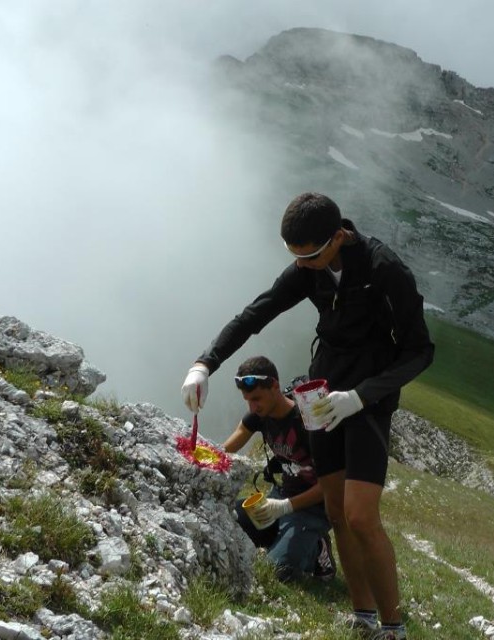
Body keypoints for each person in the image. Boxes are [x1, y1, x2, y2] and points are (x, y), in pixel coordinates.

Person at [182, 192, 434, 640]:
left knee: (360, 516)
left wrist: (360, 397)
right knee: (336, 514)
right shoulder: (308, 267)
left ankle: (394, 627)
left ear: (338, 237)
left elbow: (420, 351)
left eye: (312, 255)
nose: (304, 264)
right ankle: (363, 617)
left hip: (366, 403)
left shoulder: (384, 270)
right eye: (295, 256)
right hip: (319, 398)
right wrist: (205, 364)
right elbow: (256, 313)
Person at [222, 355, 336, 583]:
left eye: (257, 398)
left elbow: (330, 486)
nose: (253, 406)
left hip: (314, 509)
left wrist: (285, 507)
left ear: (275, 386)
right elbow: (225, 450)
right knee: (227, 522)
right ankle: (281, 536)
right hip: (281, 497)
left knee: (278, 572)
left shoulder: (307, 421)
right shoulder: (258, 416)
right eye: (247, 400)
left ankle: (317, 548)